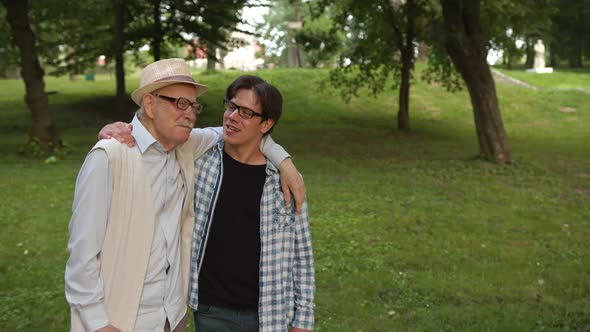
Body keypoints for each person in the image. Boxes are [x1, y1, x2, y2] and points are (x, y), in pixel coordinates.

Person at [65, 59, 304, 332]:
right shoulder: (109, 157)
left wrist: (283, 161)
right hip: (121, 319)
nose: (190, 114)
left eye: (193, 106)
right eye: (180, 103)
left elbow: (240, 132)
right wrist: (99, 325)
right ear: (150, 104)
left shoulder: (186, 146)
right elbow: (81, 258)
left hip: (172, 317)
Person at [188, 75, 314, 332]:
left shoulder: (284, 181)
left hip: (269, 314)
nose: (232, 116)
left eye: (245, 113)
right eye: (231, 107)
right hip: (212, 311)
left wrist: (303, 320)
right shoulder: (201, 162)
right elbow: (167, 134)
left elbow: (302, 255)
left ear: (266, 123)